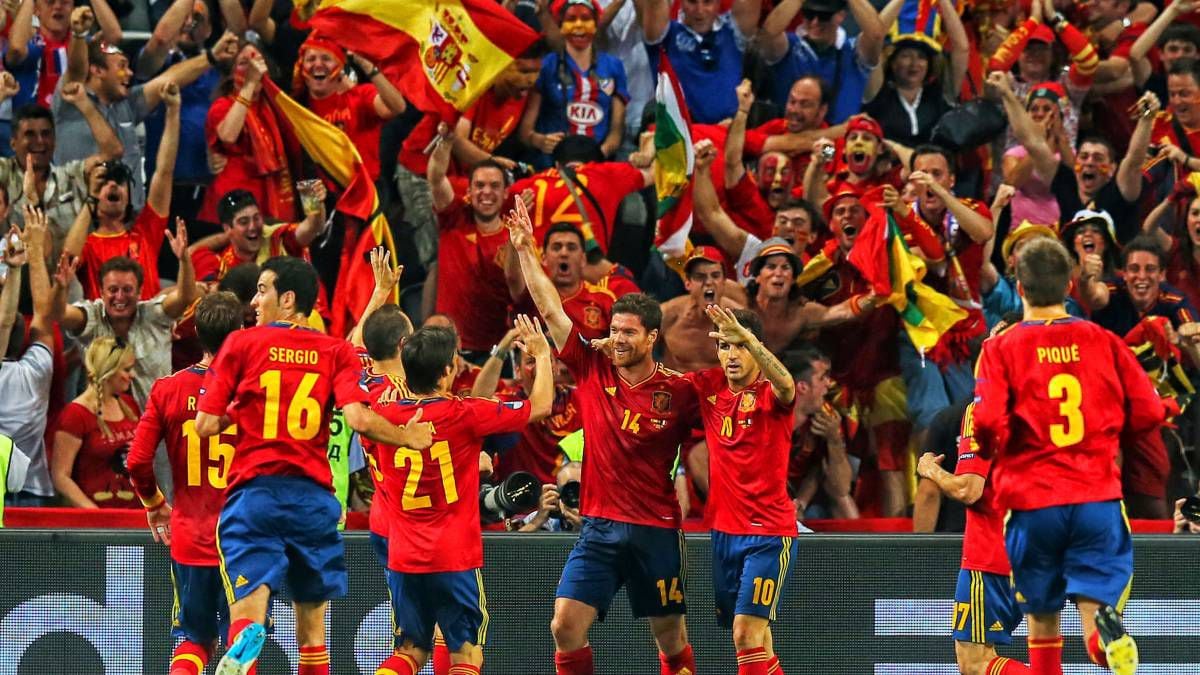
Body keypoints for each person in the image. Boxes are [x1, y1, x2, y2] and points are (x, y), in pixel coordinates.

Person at [196, 257, 434, 675]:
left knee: (248, 611)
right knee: (312, 631)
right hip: (314, 502)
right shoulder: (334, 350)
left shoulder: (243, 343)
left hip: (256, 494)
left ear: (288, 300)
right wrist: (408, 437)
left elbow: (205, 425)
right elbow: (360, 419)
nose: (254, 301)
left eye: (263, 290)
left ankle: (246, 639)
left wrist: (240, 409)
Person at [506, 197, 698, 675]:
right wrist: (526, 249)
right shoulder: (593, 367)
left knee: (672, 641)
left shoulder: (680, 391)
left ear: (651, 337)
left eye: (628, 333)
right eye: (613, 330)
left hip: (656, 529)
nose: (617, 339)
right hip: (598, 528)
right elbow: (551, 311)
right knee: (564, 625)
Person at [971, 237, 1174, 675]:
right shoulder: (1101, 339)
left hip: (1032, 502)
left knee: (1042, 624)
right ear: (1070, 283)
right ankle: (1105, 639)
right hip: (1095, 498)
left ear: (1019, 288)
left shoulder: (1000, 348)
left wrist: (1000, 450)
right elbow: (1149, 412)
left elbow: (986, 422)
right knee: (1092, 612)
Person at [371, 315, 554, 675]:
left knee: (410, 650)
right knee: (466, 654)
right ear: (446, 371)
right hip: (453, 555)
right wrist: (543, 355)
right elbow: (542, 405)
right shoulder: (466, 413)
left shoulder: (383, 412)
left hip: (404, 554)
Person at [127, 292, 245, 675]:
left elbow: (138, 461)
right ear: (241, 333)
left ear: (196, 333)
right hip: (243, 539)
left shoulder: (167, 390)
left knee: (196, 640)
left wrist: (154, 503)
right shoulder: (254, 393)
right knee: (241, 640)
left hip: (190, 536)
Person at [684, 305, 798, 675]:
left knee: (745, 634)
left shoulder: (770, 394)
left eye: (740, 346)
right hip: (723, 533)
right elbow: (659, 380)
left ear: (755, 346)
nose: (732, 356)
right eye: (724, 346)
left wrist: (746, 336)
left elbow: (787, 384)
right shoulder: (708, 387)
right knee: (760, 642)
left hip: (767, 534)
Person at [917, 418, 1030, 675]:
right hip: (1042, 547)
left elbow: (968, 489)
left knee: (975, 661)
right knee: (1045, 648)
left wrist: (929, 469)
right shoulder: (1041, 400)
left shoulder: (983, 409)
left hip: (993, 553)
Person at [64, 81, 181, 300]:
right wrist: (91, 196)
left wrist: (173, 111)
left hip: (147, 329)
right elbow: (68, 259)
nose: (113, 185)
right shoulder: (88, 245)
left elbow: (164, 172)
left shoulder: (145, 232)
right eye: (105, 181)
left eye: (119, 180)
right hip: (103, 331)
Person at [57, 228, 197, 406]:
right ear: (101, 292)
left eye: (128, 290)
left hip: (157, 423)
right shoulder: (91, 317)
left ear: (140, 292)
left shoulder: (155, 315)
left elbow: (186, 296)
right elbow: (59, 314)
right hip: (104, 424)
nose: (120, 297)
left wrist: (184, 260)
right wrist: (61, 288)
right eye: (113, 290)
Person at [428, 125, 515, 358]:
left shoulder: (515, 239)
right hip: (446, 349)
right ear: (469, 190)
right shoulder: (453, 217)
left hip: (494, 352)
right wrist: (445, 143)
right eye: (480, 185)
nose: (487, 192)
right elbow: (436, 178)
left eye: (495, 186)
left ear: (506, 193)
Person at [519, 0, 628, 165]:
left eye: (585, 19)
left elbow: (616, 131)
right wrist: (539, 140)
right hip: (551, 167)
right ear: (561, 26)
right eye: (571, 19)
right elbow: (525, 132)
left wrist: (596, 155)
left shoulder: (614, 66)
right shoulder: (548, 65)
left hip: (596, 168)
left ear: (596, 24)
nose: (579, 25)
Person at [199, 43, 297, 225]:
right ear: (231, 73)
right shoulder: (223, 106)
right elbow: (228, 135)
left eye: (256, 62)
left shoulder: (276, 108)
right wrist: (249, 84)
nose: (253, 69)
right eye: (244, 63)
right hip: (232, 210)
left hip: (270, 203)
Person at [294, 34, 406, 181]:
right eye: (311, 59)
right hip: (324, 198)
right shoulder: (297, 109)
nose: (318, 64)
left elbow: (397, 107)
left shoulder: (359, 96)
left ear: (340, 66)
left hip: (368, 195)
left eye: (326, 59)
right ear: (301, 66)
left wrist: (369, 67)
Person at [0, 208, 55, 506]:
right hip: (36, 490)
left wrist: (14, 267)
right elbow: (44, 315)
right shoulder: (36, 370)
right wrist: (33, 254)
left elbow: (4, 322)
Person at [758, 0, 886, 123]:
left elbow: (876, 35)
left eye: (824, 16)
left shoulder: (854, 52)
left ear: (841, 15)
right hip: (787, 136)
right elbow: (769, 33)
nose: (815, 22)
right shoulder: (790, 47)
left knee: (827, 146)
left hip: (835, 142)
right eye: (809, 14)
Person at [50, 335, 139, 508]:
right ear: (109, 372)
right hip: (95, 521)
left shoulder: (129, 406)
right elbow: (60, 476)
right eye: (127, 370)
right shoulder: (75, 415)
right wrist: (94, 514)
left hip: (133, 515)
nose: (133, 375)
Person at [638, 0, 757, 125]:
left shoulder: (733, 31)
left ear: (718, 3)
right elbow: (655, 4)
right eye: (692, 1)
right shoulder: (665, 36)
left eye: (707, 2)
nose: (700, 10)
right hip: (682, 138)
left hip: (732, 134)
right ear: (682, 2)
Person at [505, 222, 619, 341]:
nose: (564, 253)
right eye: (556, 247)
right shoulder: (533, 294)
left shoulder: (604, 299)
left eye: (571, 248)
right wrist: (517, 243)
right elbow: (513, 277)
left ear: (583, 259)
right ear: (543, 258)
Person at [660, 246, 743, 372]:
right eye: (700, 277)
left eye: (715, 275)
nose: (708, 282)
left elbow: (756, 367)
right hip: (677, 388)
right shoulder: (667, 315)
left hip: (722, 389)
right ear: (688, 283)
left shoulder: (740, 318)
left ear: (724, 282)